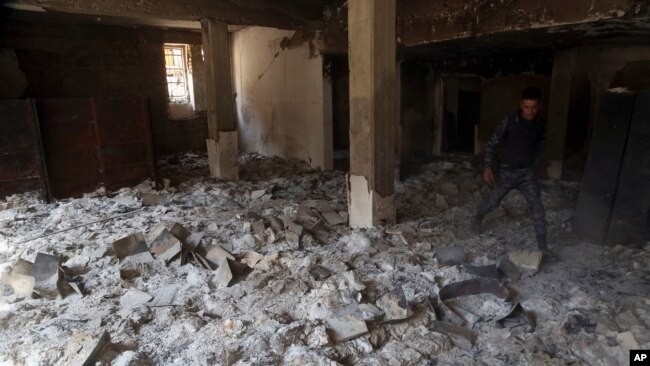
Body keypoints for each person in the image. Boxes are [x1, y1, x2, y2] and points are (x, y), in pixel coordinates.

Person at [471, 86, 552, 256]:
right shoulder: (509, 122)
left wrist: (543, 166)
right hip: (506, 172)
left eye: (534, 107)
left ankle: (543, 247)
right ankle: (477, 217)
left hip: (526, 173)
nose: (530, 111)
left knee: (537, 207)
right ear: (521, 105)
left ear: (539, 107)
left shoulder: (540, 125)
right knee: (493, 202)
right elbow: (492, 144)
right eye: (526, 107)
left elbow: (541, 147)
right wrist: (488, 167)